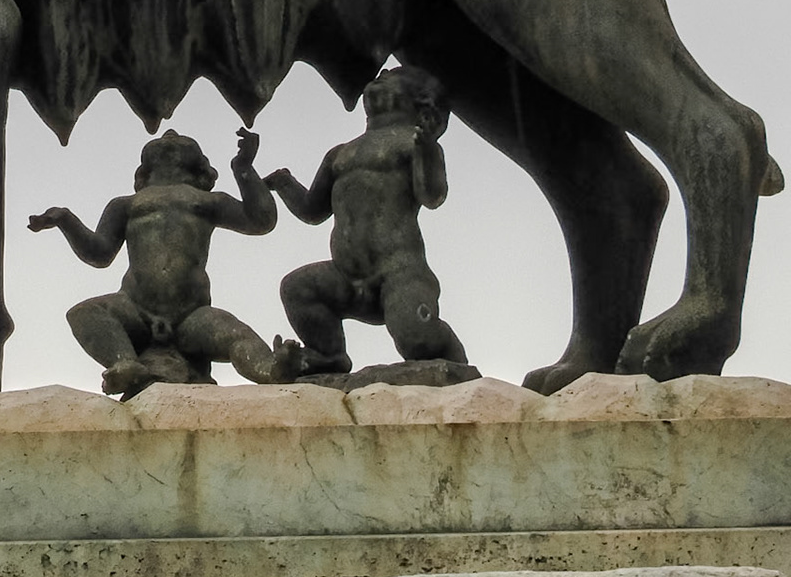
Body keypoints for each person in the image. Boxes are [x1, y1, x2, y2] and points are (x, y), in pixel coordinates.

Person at [28, 128, 303, 398]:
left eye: (176, 137)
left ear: (201, 167)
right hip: (135, 308)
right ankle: (126, 362)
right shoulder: (125, 205)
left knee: (235, 333)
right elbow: (99, 253)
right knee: (84, 313)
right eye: (165, 136)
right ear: (143, 171)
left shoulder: (207, 200)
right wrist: (66, 220)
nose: (169, 133)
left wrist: (243, 168)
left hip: (191, 315)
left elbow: (261, 220)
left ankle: (269, 369)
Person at [265, 67, 469, 374]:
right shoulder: (340, 154)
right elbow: (312, 210)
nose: (382, 72)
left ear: (422, 103)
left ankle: (453, 356)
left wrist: (426, 152)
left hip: (400, 272)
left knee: (417, 338)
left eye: (393, 75)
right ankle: (328, 354)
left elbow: (432, 196)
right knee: (297, 287)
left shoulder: (412, 143)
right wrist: (284, 183)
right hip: (346, 277)